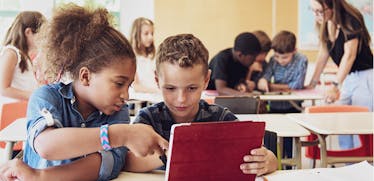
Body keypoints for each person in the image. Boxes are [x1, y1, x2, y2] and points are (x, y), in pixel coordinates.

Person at [0, 4, 168, 181]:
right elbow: (46, 145)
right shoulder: (46, 97)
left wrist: (41, 176)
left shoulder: (118, 113)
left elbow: (105, 164)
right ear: (86, 76)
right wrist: (120, 135)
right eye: (119, 83)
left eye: (129, 85)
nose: (126, 95)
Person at [125, 34, 278, 176]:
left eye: (191, 88)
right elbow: (127, 161)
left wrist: (268, 161)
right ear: (157, 81)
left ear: (206, 80)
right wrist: (175, 154)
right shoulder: (148, 119)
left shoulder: (220, 118)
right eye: (170, 88)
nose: (181, 99)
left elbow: (265, 156)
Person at [308, 0, 373, 149]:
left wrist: (336, 85)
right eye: (313, 10)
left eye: (319, 11)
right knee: (343, 125)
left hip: (366, 77)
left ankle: (364, 168)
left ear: (333, 7)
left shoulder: (351, 20)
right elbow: (323, 53)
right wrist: (312, 82)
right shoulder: (325, 22)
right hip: (349, 77)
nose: (316, 15)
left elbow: (349, 55)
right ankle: (348, 166)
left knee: (360, 129)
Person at [257, 30, 308, 162]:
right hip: (274, 106)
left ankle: (289, 168)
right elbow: (264, 80)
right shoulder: (273, 60)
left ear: (294, 51)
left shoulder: (302, 60)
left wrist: (272, 85)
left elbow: (297, 85)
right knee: (272, 140)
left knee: (290, 143)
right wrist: (266, 82)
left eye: (284, 57)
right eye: (277, 56)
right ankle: (274, 167)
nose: (280, 61)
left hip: (293, 106)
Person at [0, 11, 45, 103]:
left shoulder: (24, 56)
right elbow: (3, 89)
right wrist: (36, 95)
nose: (44, 40)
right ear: (28, 32)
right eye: (42, 35)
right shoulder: (11, 53)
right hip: (11, 109)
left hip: (22, 107)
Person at [129, 17, 159, 93]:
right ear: (136, 35)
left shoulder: (152, 56)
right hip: (142, 97)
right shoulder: (131, 57)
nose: (151, 37)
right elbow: (136, 86)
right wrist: (157, 91)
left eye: (152, 33)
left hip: (154, 94)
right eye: (146, 34)